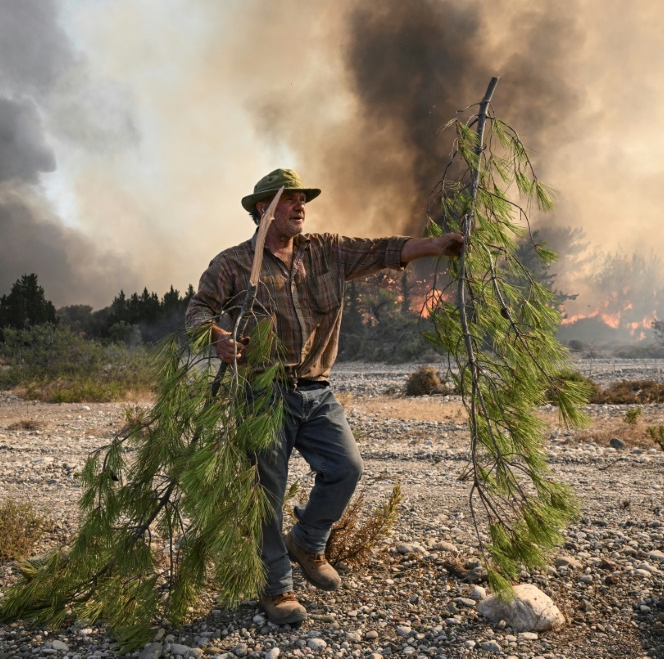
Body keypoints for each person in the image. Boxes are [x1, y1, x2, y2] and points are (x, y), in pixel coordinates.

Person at [185, 168, 463, 626]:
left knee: (346, 468)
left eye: (302, 200)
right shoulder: (232, 264)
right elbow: (197, 312)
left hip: (316, 389)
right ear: (263, 209)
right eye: (290, 200)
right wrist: (216, 335)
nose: (301, 207)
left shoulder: (326, 251)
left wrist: (433, 246)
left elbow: (384, 251)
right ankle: (276, 590)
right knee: (265, 496)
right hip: (262, 394)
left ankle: (308, 541)